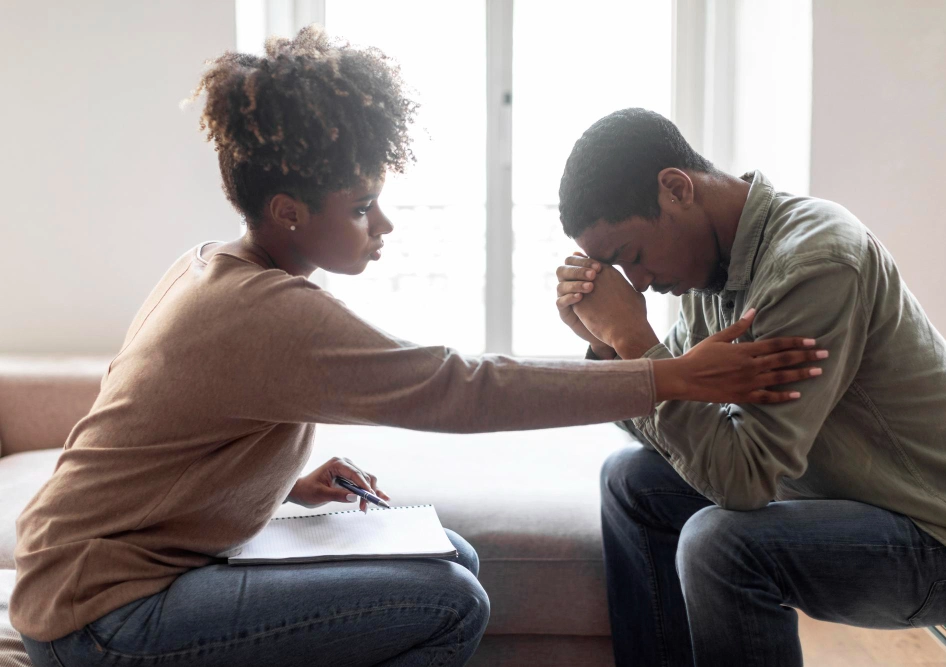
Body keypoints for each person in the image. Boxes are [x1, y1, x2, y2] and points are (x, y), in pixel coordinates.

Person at [11, 29, 824, 667]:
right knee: (451, 602)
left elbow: (150, 437)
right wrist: (665, 375)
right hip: (102, 616)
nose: (385, 225)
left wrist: (280, 486)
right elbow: (460, 388)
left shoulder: (212, 267)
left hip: (101, 578)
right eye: (362, 204)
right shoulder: (262, 310)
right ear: (290, 211)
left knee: (456, 557)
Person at [553, 107, 946, 667]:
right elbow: (658, 428)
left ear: (675, 189)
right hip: (832, 496)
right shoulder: (708, 265)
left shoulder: (814, 263)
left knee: (720, 544)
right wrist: (608, 346)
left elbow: (745, 480)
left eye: (633, 258)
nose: (639, 284)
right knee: (632, 479)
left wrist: (634, 337)